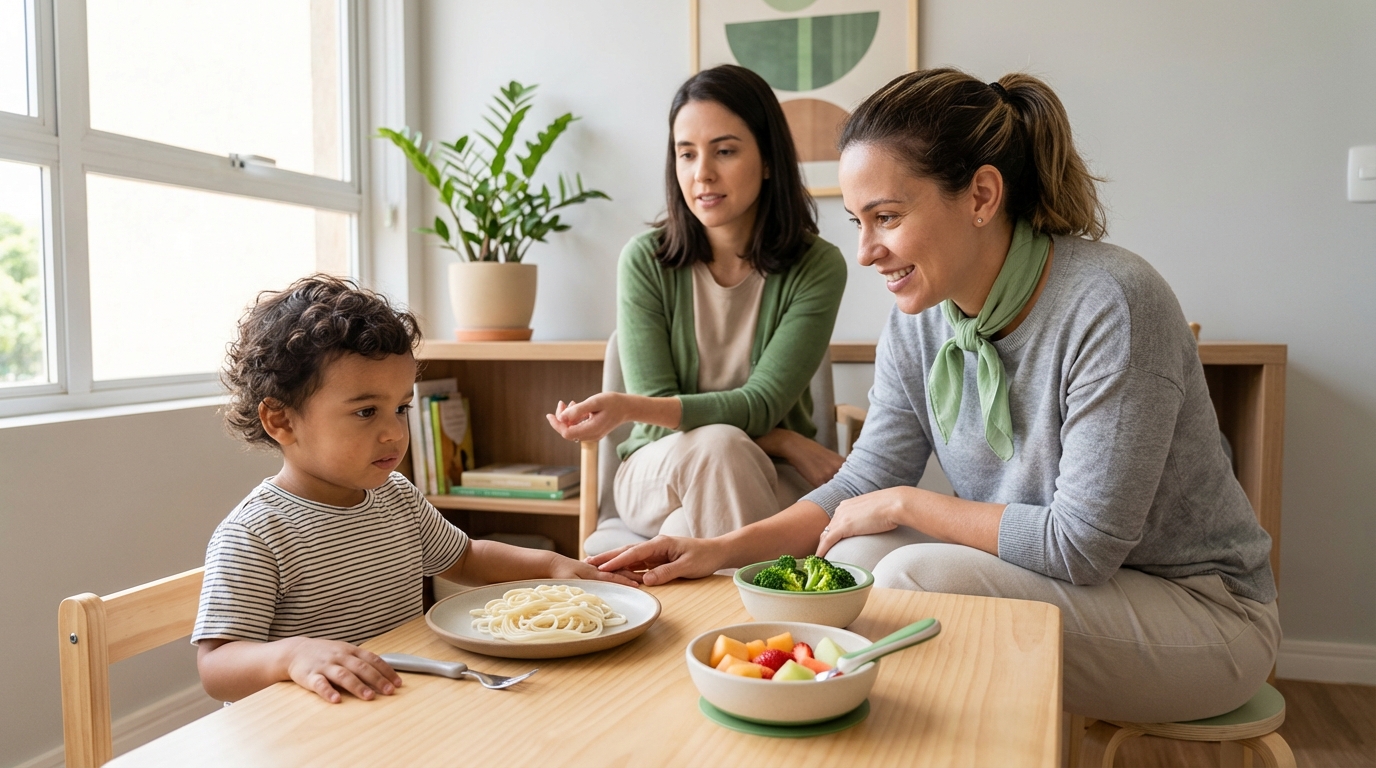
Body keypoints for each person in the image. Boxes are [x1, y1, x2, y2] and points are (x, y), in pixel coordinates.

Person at [591, 68, 1280, 724]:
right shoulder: (920, 319)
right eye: (858, 221)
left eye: (885, 216)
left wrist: (905, 502)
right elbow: (862, 479)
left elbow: (1082, 545)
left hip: (1203, 615)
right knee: (853, 561)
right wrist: (720, 548)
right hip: (1075, 587)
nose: (865, 252)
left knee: (911, 574)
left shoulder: (1113, 303)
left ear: (981, 196)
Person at [194, 275, 635, 704]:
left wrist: (551, 565)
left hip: (397, 703)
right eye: (367, 412)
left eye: (401, 407)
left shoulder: (396, 496)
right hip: (307, 727)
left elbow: (467, 558)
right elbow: (216, 668)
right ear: (281, 421)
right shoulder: (256, 533)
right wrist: (291, 655)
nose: (394, 433)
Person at [547, 65, 847, 541]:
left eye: (724, 151)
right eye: (686, 154)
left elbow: (762, 404)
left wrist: (632, 406)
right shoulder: (646, 261)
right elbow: (661, 417)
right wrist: (786, 440)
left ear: (769, 158)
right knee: (719, 447)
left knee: (686, 527)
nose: (702, 174)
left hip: (771, 476)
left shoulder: (818, 267)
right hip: (657, 468)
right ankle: (764, 610)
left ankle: (721, 608)